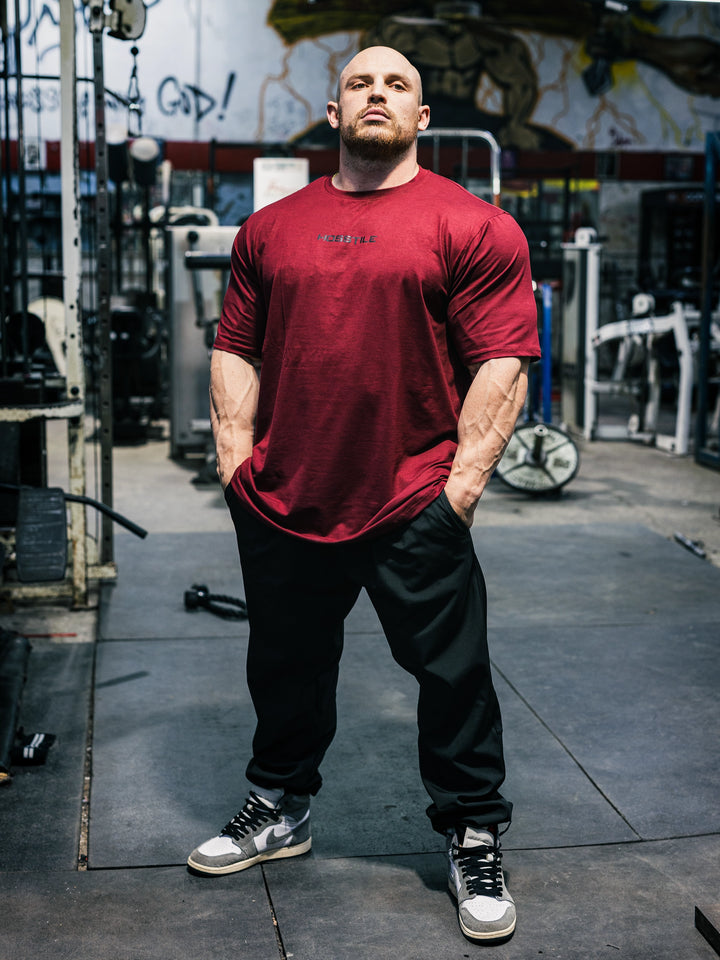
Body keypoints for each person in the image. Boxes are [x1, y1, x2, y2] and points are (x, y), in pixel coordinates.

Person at [187, 44, 540, 945]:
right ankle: (279, 805)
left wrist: (457, 492)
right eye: (359, 83)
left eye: (398, 85)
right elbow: (237, 347)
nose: (376, 94)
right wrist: (237, 465)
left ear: (423, 117)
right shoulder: (270, 230)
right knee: (285, 666)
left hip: (412, 497)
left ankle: (472, 832)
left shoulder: (475, 226)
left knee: (453, 676)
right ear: (334, 111)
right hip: (285, 497)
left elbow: (503, 362)